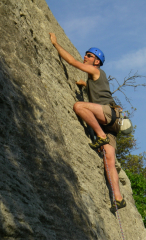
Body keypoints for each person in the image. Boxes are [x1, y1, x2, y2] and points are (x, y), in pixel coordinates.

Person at [49, 33, 126, 213]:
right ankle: (118, 198)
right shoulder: (94, 77)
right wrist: (84, 85)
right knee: (109, 160)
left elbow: (72, 62)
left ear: (97, 61)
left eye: (89, 56)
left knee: (78, 106)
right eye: (86, 54)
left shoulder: (96, 70)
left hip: (107, 114)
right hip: (111, 123)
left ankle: (100, 136)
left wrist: (56, 44)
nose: (85, 57)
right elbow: (98, 90)